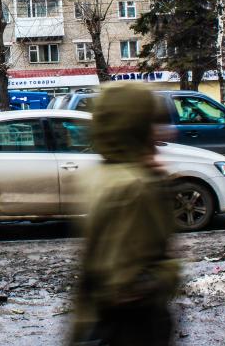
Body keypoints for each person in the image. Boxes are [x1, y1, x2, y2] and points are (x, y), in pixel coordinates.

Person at [70, 83, 179, 346]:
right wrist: (169, 273)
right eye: (152, 122)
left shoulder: (100, 174)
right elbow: (129, 283)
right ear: (135, 126)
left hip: (95, 318)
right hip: (135, 328)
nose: (167, 131)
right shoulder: (136, 186)